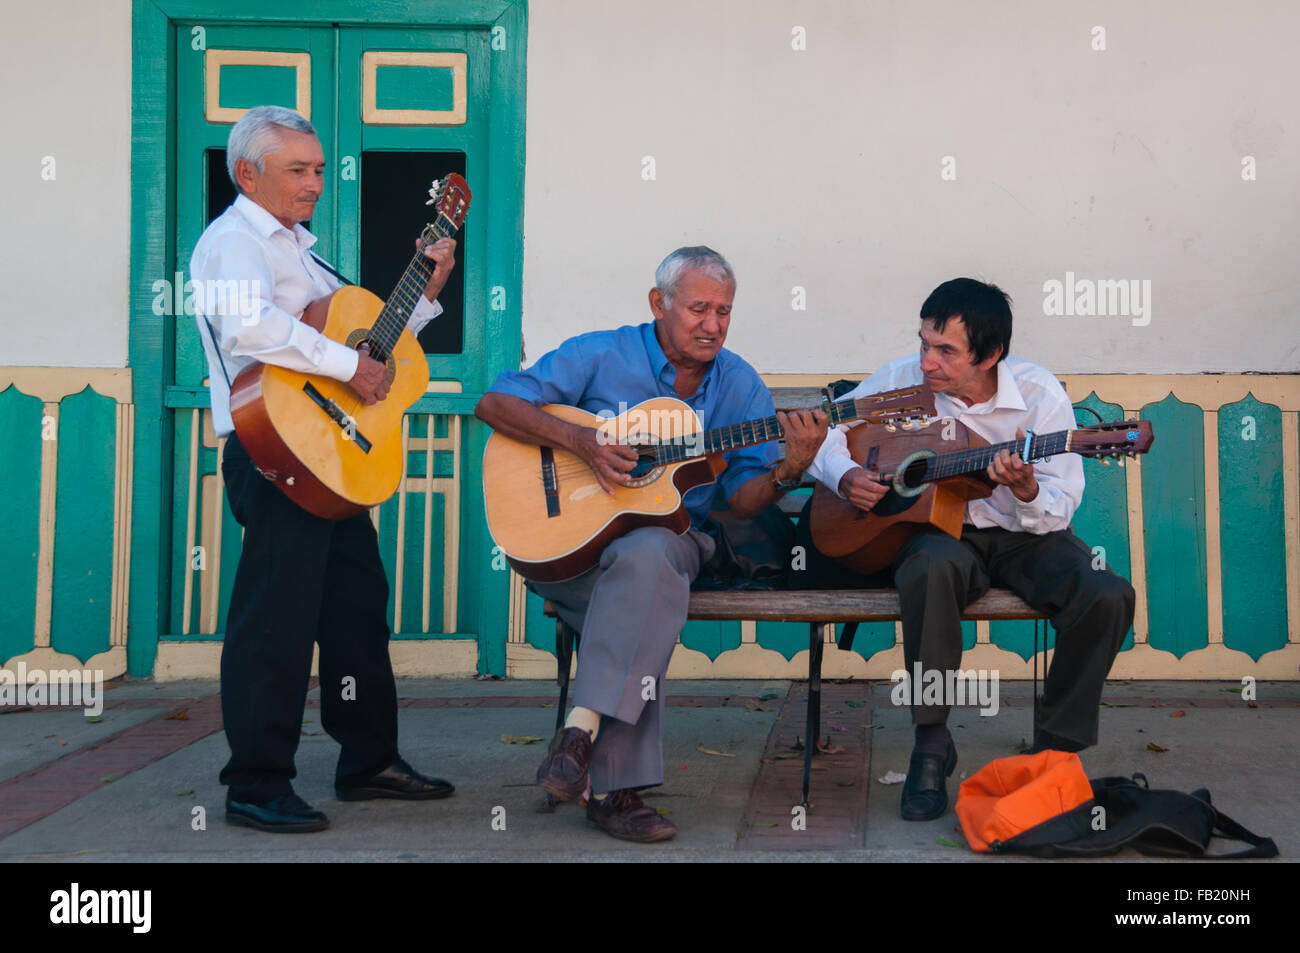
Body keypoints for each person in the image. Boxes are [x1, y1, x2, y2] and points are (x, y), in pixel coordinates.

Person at [474, 247, 828, 842]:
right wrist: (583, 442)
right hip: (566, 548)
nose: (712, 324)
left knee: (650, 556)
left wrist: (789, 471)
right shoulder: (599, 353)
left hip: (676, 544)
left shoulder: (738, 384)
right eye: (698, 308)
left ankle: (579, 740)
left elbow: (742, 501)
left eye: (724, 311)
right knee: (643, 594)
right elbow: (495, 402)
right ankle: (613, 790)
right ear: (658, 304)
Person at [192, 105, 458, 833]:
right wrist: (349, 364)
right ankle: (255, 780)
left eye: (316, 168)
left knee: (356, 609)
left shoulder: (302, 252)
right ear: (248, 173)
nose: (315, 182)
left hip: (329, 456)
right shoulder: (232, 244)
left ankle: (369, 760)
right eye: (297, 170)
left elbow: (366, 348)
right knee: (276, 620)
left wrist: (426, 292)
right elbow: (249, 327)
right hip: (275, 450)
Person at [798, 277, 1135, 822]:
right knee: (930, 569)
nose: (927, 362)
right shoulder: (903, 379)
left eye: (945, 350)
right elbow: (827, 430)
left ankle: (1056, 752)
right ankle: (931, 743)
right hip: (936, 534)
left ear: (991, 354)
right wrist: (845, 475)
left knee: (1108, 595)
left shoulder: (1039, 395)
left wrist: (1025, 489)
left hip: (1023, 535)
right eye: (924, 343)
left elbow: (1060, 503)